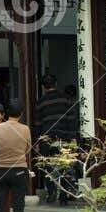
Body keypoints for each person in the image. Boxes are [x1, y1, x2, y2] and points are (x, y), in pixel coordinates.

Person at [34, 74, 76, 202]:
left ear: (43, 86)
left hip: (47, 138)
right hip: (64, 137)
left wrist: (37, 141)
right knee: (64, 165)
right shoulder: (66, 99)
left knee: (48, 165)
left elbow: (37, 123)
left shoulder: (40, 102)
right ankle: (63, 195)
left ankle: (51, 191)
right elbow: (71, 120)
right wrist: (73, 137)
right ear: (56, 84)